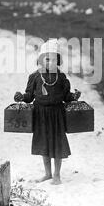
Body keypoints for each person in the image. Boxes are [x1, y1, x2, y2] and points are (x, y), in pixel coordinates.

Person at [14, 39, 81, 185]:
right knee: (44, 144)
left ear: (57, 61)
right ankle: (48, 173)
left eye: (52, 59)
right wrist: (21, 97)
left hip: (56, 114)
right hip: (40, 114)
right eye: (46, 59)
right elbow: (29, 97)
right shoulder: (35, 77)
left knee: (57, 144)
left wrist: (73, 97)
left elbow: (66, 96)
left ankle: (57, 175)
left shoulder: (61, 78)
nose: (49, 62)